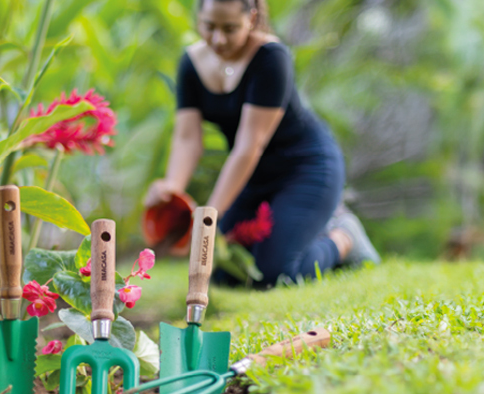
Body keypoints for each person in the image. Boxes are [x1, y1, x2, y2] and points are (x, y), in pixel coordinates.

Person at [143, 0, 380, 288]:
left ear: (252, 19)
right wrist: (172, 188)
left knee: (275, 276)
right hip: (254, 178)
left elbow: (249, 145)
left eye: (230, 28)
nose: (218, 39)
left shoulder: (271, 58)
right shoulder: (191, 63)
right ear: (199, 19)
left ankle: (344, 237)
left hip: (305, 168)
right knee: (223, 272)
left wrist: (208, 219)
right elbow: (188, 137)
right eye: (209, 27)